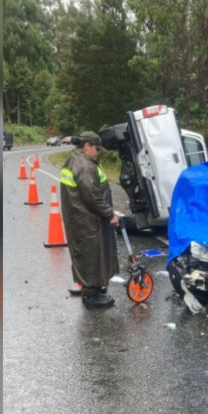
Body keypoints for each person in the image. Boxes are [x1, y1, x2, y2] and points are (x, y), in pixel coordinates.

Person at [60, 131, 120, 308]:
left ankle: (90, 285)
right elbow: (92, 197)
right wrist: (110, 214)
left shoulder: (76, 159)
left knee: (85, 252)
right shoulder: (84, 166)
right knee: (90, 253)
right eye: (96, 148)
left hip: (79, 217)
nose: (98, 152)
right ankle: (91, 296)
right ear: (87, 146)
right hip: (86, 219)